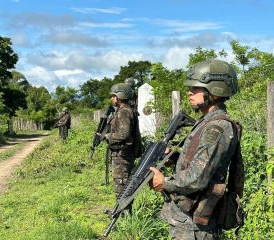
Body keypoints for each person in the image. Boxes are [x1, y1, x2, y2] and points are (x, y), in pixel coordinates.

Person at [149, 59, 241, 240]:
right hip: (188, 217)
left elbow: (197, 178)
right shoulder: (206, 122)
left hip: (196, 225)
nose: (189, 92)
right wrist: (174, 157)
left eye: (196, 88)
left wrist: (165, 182)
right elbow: (201, 162)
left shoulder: (217, 127)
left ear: (214, 91)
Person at [100, 83, 139, 199]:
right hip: (120, 153)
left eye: (113, 96)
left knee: (121, 185)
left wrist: (107, 136)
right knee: (121, 183)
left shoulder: (124, 112)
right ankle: (122, 211)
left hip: (123, 155)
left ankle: (123, 213)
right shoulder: (122, 110)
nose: (111, 99)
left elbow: (124, 134)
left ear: (120, 97)